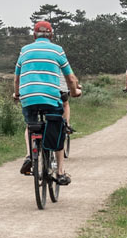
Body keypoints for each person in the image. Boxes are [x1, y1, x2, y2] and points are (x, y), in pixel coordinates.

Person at [15, 20, 81, 184]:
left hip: (28, 97)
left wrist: (17, 94)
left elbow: (16, 78)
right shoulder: (58, 50)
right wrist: (74, 92)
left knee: (30, 126)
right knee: (58, 128)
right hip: (51, 98)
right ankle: (60, 172)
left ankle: (30, 155)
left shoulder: (24, 51)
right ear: (51, 35)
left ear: (34, 35)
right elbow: (70, 78)